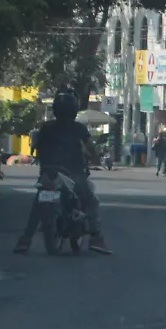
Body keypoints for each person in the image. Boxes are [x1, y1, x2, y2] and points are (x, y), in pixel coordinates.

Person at [15, 91, 112, 254]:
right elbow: (90, 148)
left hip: (48, 172)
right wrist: (95, 157)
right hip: (72, 173)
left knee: (38, 204)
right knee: (90, 201)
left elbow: (37, 147)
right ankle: (96, 238)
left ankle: (25, 239)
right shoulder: (78, 128)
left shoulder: (46, 128)